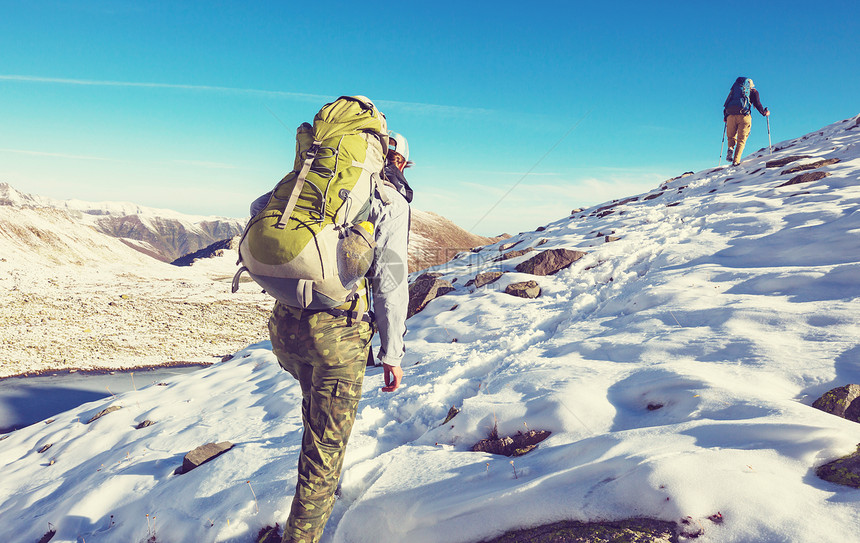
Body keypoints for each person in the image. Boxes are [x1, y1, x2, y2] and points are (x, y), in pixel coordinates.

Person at [264, 127, 411, 543]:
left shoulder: (310, 184)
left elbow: (262, 213)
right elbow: (390, 282)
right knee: (324, 452)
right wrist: (392, 353)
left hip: (285, 329)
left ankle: (315, 494)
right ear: (395, 161)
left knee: (316, 420)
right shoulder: (389, 201)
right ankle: (302, 533)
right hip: (336, 340)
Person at [723, 77, 769, 166]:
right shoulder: (753, 92)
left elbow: (726, 103)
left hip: (731, 116)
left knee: (731, 136)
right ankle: (736, 161)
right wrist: (764, 113)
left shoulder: (734, 91)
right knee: (741, 140)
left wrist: (725, 117)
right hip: (744, 116)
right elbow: (758, 104)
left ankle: (730, 148)